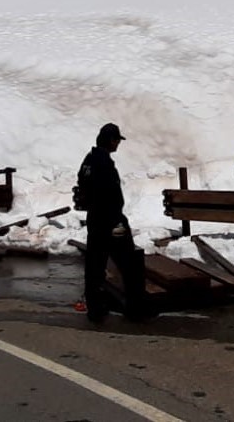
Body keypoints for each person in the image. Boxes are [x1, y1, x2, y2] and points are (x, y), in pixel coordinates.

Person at [77, 122, 150, 323]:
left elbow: (83, 187)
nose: (118, 144)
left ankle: (95, 308)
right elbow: (110, 195)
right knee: (130, 262)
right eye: (117, 140)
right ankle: (136, 308)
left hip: (95, 220)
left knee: (95, 264)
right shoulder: (104, 163)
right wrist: (118, 220)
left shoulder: (89, 160)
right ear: (111, 140)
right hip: (112, 222)